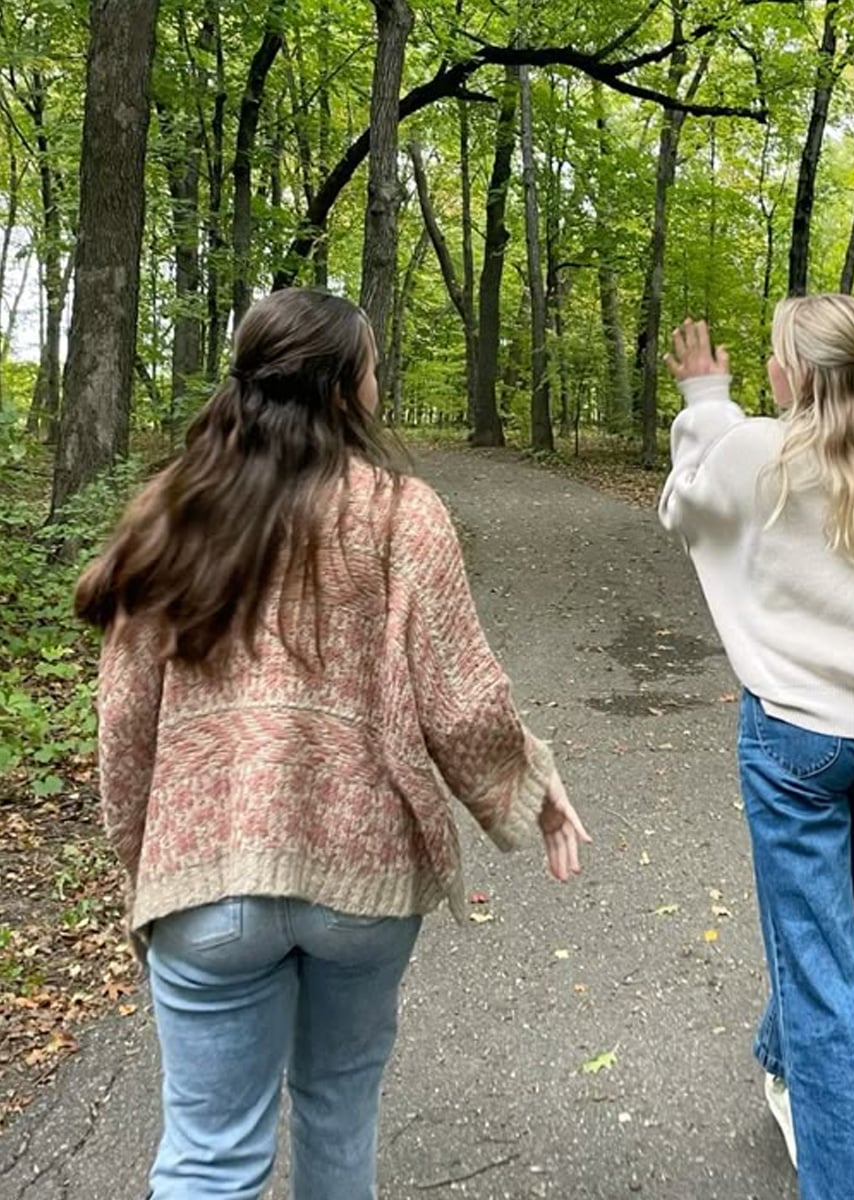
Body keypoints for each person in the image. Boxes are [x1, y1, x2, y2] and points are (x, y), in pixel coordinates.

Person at [75, 287, 589, 1200]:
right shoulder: (403, 514)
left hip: (207, 872)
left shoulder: (170, 512)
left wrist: (144, 866)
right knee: (338, 1112)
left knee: (207, 1155)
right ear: (346, 388)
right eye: (374, 367)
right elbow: (462, 702)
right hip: (364, 881)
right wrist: (530, 788)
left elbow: (124, 721)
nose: (380, 382)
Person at [658, 295, 854, 1200]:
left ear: (794, 372)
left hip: (796, 740)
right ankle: (786, 1057)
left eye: (771, 358)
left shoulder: (758, 446)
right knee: (844, 946)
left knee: (826, 971)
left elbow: (687, 507)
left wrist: (706, 398)